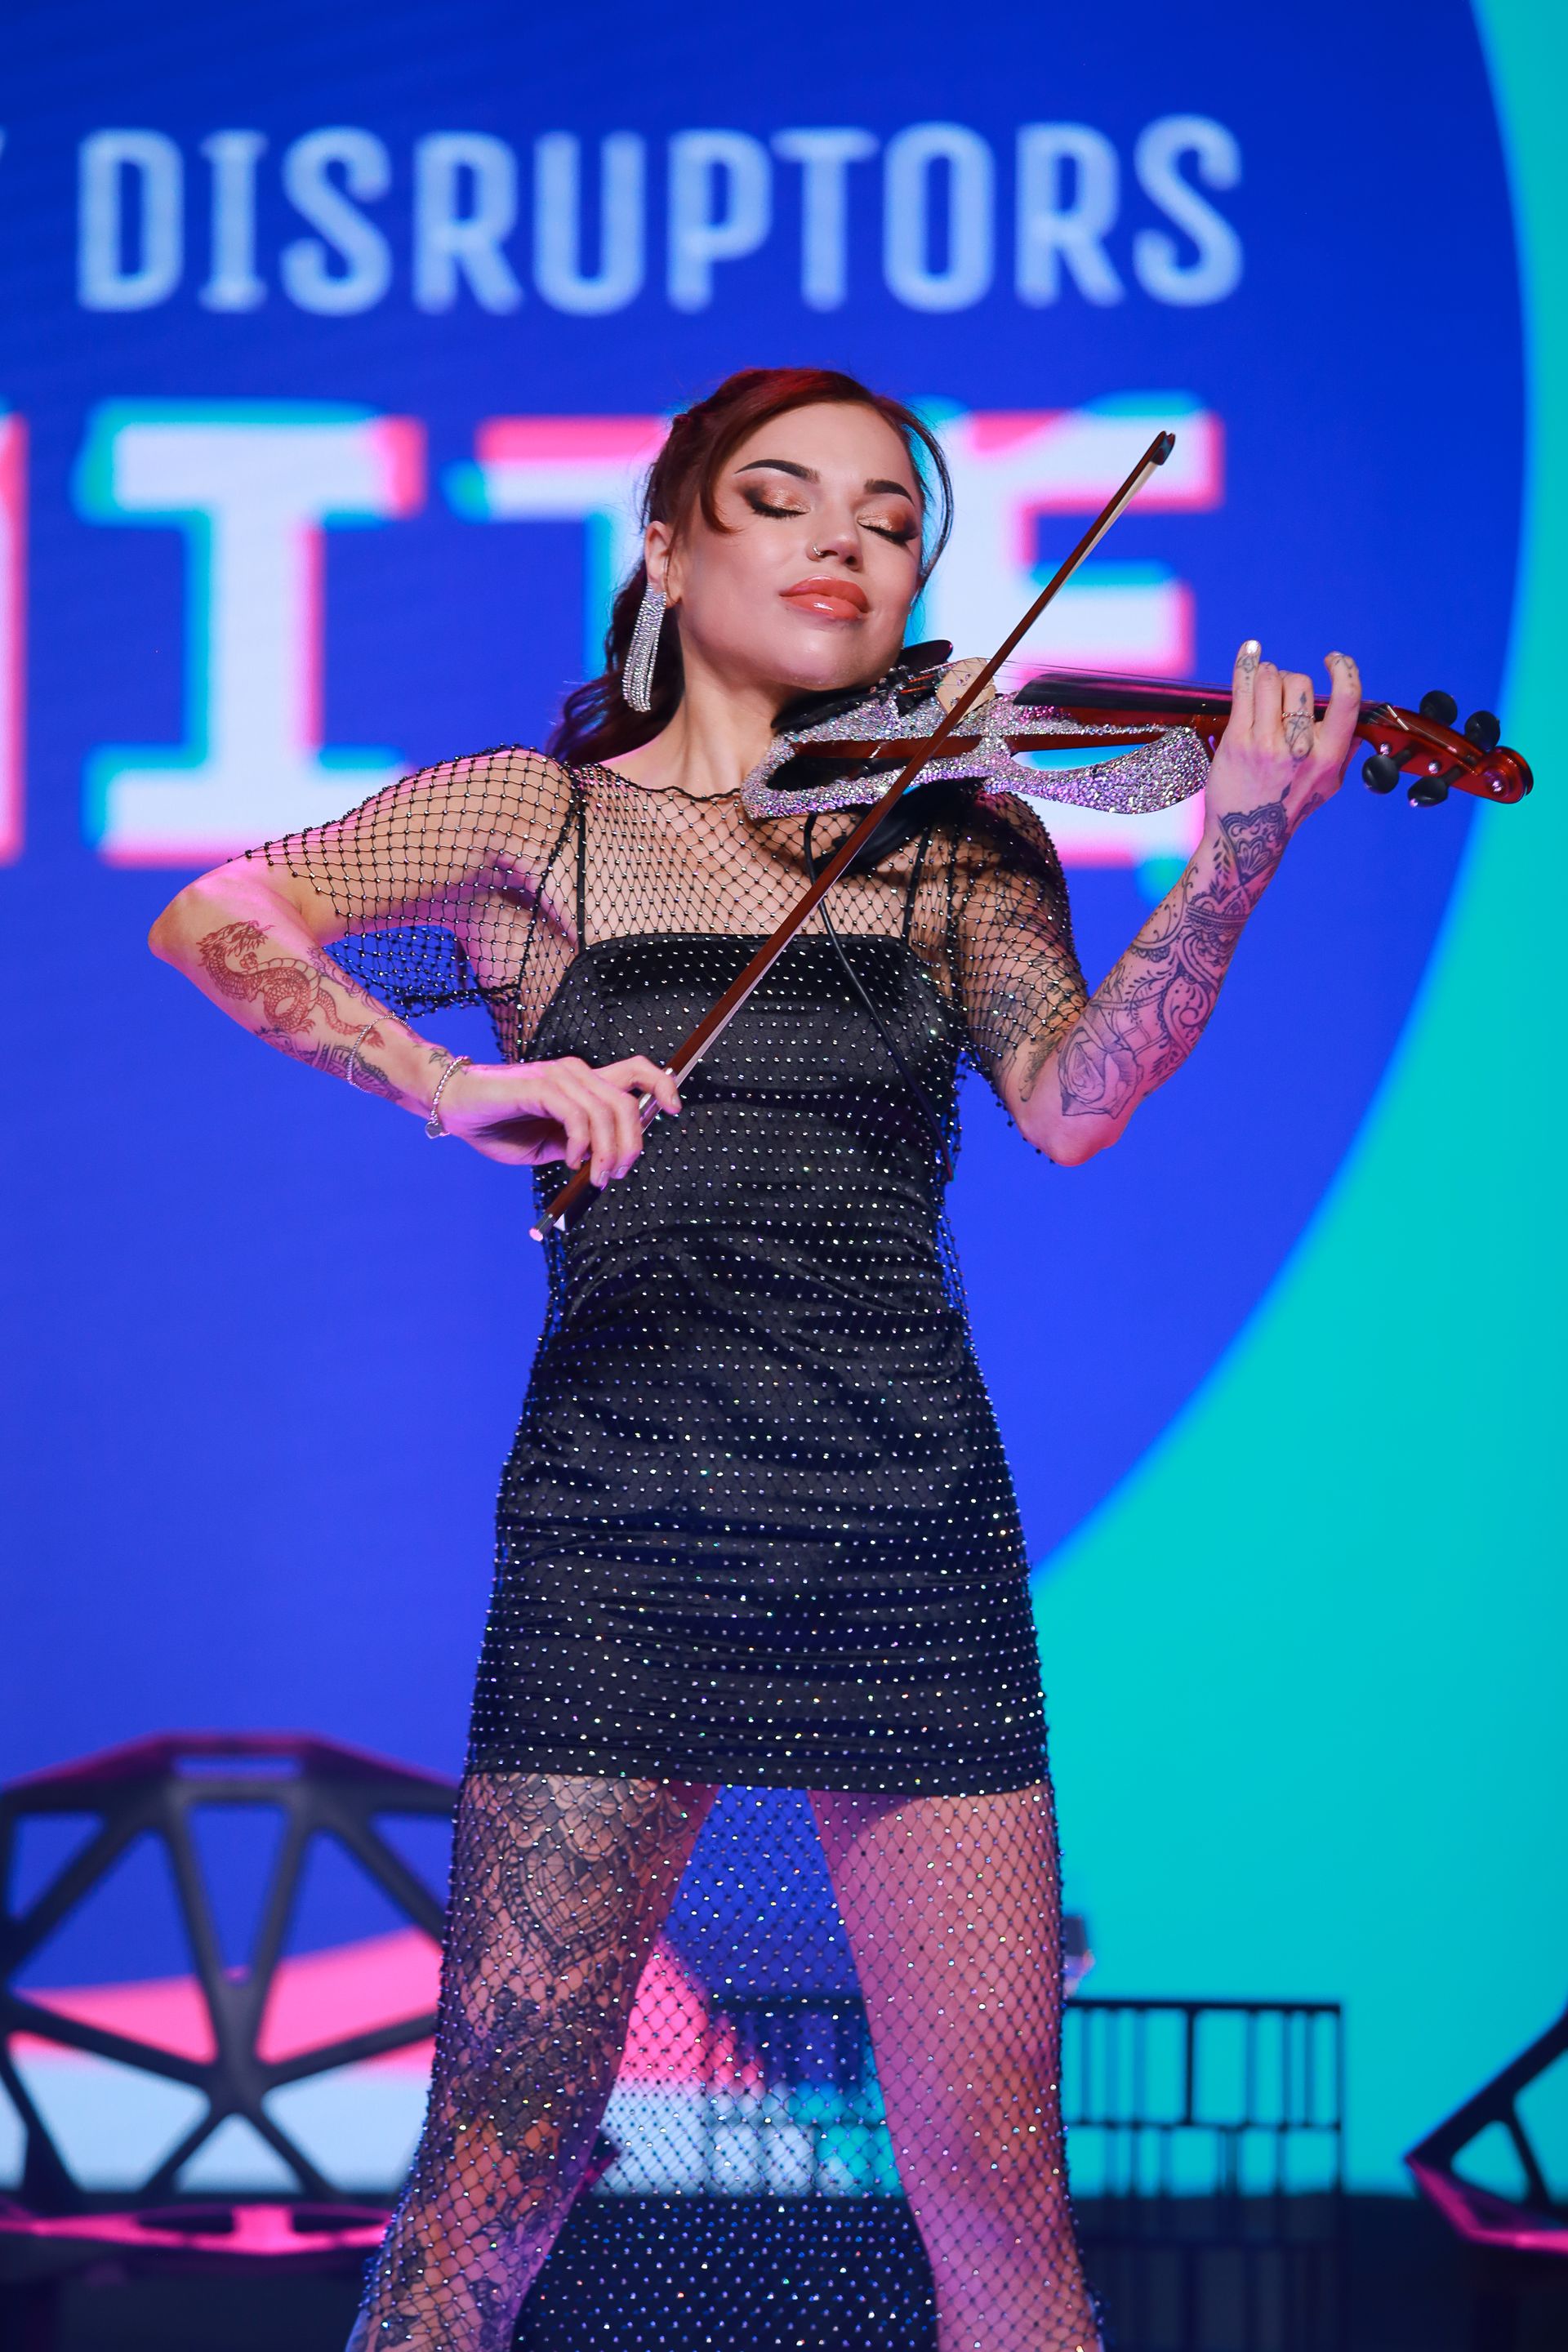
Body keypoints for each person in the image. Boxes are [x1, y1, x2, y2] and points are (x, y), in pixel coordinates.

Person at [149, 366, 1361, 2352]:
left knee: (996, 2191)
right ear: (672, 543)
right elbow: (224, 919)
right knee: (497, 2168)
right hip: (620, 1536)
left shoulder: (957, 845)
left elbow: (1077, 1102)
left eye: (890, 522)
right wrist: (449, 1080)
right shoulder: (532, 817)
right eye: (787, 501)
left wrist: (1230, 858)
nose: (843, 545)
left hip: (908, 1534)